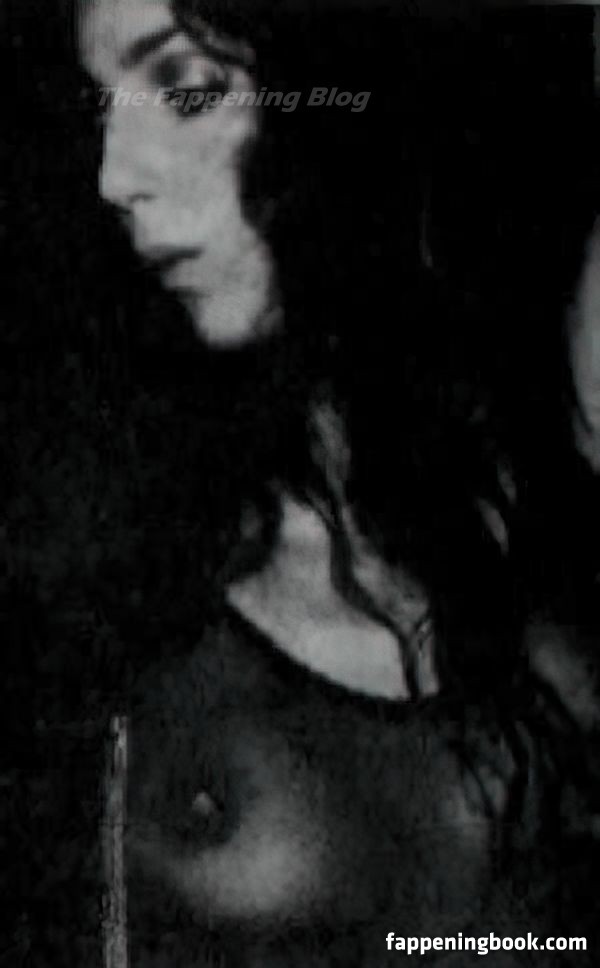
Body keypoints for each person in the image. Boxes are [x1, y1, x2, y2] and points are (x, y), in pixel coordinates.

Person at [38, 0, 597, 963]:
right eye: (103, 108)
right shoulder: (109, 573)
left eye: (185, 86)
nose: (115, 176)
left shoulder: (552, 527)